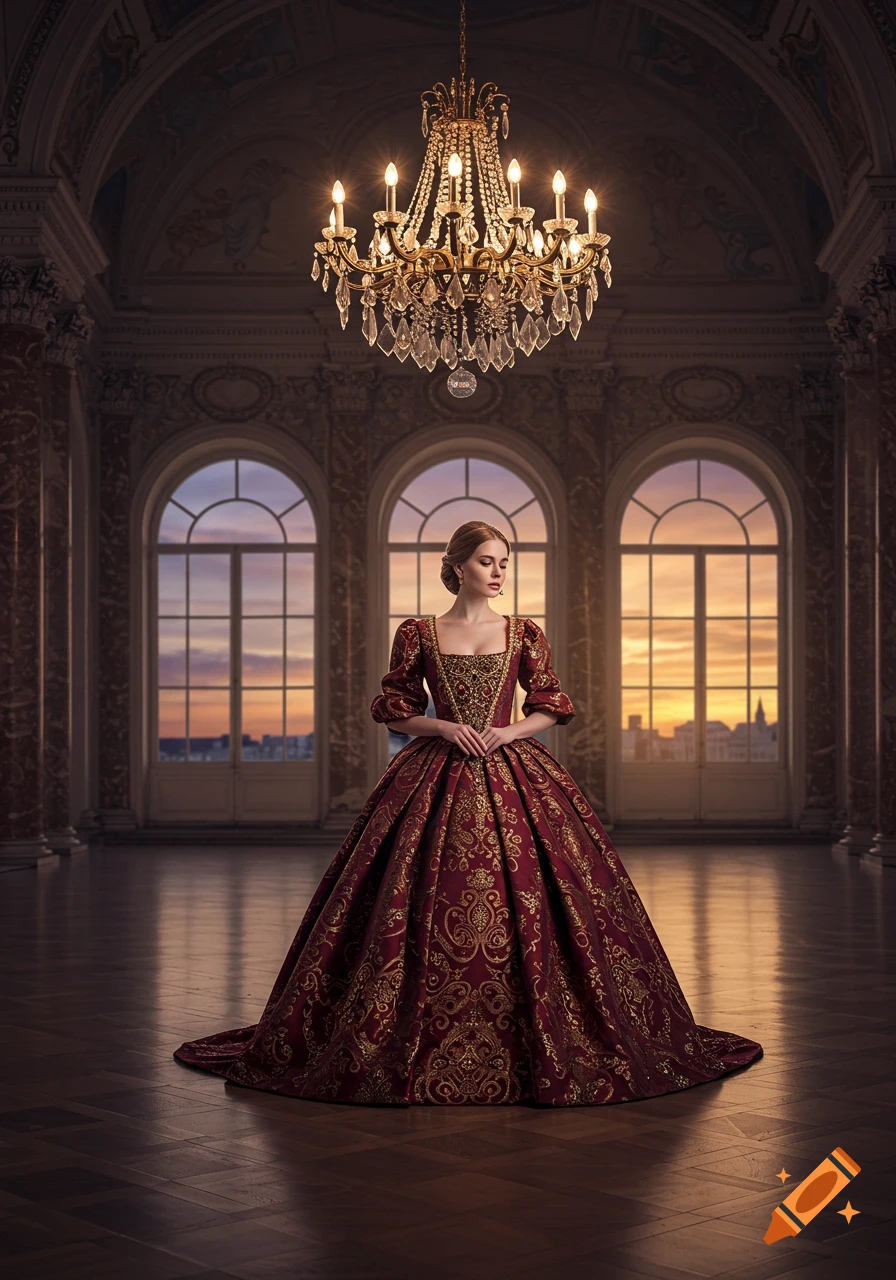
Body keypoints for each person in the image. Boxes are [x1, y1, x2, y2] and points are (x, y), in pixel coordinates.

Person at [174, 520, 762, 1105]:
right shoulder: (419, 632)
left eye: (505, 562)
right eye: (487, 562)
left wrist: (506, 734)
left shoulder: (525, 632)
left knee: (551, 896)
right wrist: (443, 726)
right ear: (458, 567)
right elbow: (394, 708)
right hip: (436, 764)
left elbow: (552, 706)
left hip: (513, 764)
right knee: (399, 893)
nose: (499, 572)